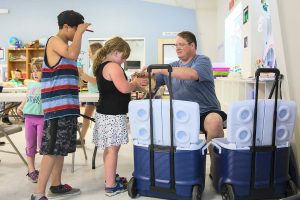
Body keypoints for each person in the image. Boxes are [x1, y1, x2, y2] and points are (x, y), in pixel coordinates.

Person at [30, 10, 90, 200]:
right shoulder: (54, 41)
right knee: (51, 150)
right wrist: (80, 33)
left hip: (67, 107)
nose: (76, 34)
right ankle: (38, 194)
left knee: (60, 149)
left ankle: (56, 185)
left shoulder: (64, 46)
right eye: (75, 30)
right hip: (57, 108)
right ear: (66, 27)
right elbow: (72, 53)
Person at [152, 31, 226, 175]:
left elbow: (192, 74)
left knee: (215, 122)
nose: (177, 48)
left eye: (181, 44)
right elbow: (153, 84)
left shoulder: (202, 60)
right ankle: (177, 170)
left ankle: (216, 170)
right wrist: (142, 79)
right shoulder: (170, 67)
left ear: (192, 45)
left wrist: (161, 69)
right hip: (182, 113)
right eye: (176, 45)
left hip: (206, 111)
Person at [92, 36, 146, 197]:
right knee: (113, 150)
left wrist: (133, 81)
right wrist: (135, 83)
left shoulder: (102, 66)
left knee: (109, 149)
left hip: (105, 113)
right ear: (116, 52)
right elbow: (124, 88)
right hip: (112, 115)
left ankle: (110, 177)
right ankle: (111, 186)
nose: (122, 61)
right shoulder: (113, 67)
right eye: (123, 57)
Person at [17, 58, 44, 183]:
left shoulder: (47, 85)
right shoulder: (31, 84)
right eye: (33, 71)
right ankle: (31, 170)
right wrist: (21, 106)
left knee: (42, 145)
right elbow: (27, 96)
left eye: (38, 70)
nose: (35, 73)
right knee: (30, 145)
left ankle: (45, 170)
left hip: (42, 118)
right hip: (29, 118)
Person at [77, 42, 103, 145]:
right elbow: (89, 79)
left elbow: (97, 80)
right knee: (86, 117)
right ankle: (81, 139)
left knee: (100, 118)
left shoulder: (100, 65)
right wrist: (82, 77)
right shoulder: (92, 64)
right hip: (91, 95)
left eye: (89, 52)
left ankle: (101, 139)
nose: (88, 54)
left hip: (97, 95)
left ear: (95, 52)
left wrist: (82, 74)